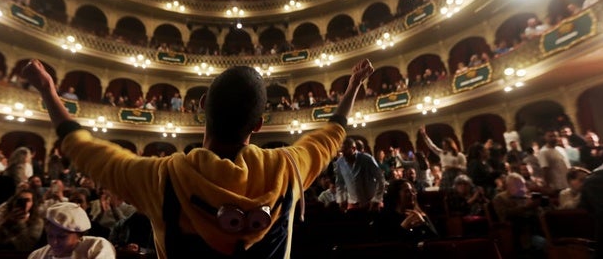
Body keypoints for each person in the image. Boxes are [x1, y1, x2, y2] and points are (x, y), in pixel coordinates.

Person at [22, 57, 374, 258]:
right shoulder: (289, 166)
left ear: (202, 108)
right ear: (259, 125)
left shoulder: (162, 177)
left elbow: (81, 146)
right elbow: (334, 131)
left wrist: (48, 91)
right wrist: (353, 86)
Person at [28, 202, 116, 259]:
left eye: (62, 237)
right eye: (50, 236)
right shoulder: (37, 255)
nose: (54, 242)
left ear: (79, 235)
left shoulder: (96, 247)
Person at [0, 188, 45, 254]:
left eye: (28, 200)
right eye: (20, 200)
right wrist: (6, 223)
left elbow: (25, 247)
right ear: (13, 202)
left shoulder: (37, 222)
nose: (24, 204)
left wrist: (20, 223)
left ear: (33, 204)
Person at [333, 137, 385, 212]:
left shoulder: (367, 159)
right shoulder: (339, 162)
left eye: (345, 151)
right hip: (353, 203)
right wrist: (341, 199)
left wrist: (377, 199)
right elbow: (340, 183)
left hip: (371, 201)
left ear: (353, 148)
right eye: (341, 151)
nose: (343, 154)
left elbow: (380, 179)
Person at [418, 126, 466, 191]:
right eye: (443, 145)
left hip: (456, 176)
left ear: (450, 145)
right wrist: (424, 135)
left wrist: (454, 167)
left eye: (445, 145)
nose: (444, 147)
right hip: (446, 176)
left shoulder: (459, 155)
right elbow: (432, 146)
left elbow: (465, 168)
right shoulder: (442, 153)